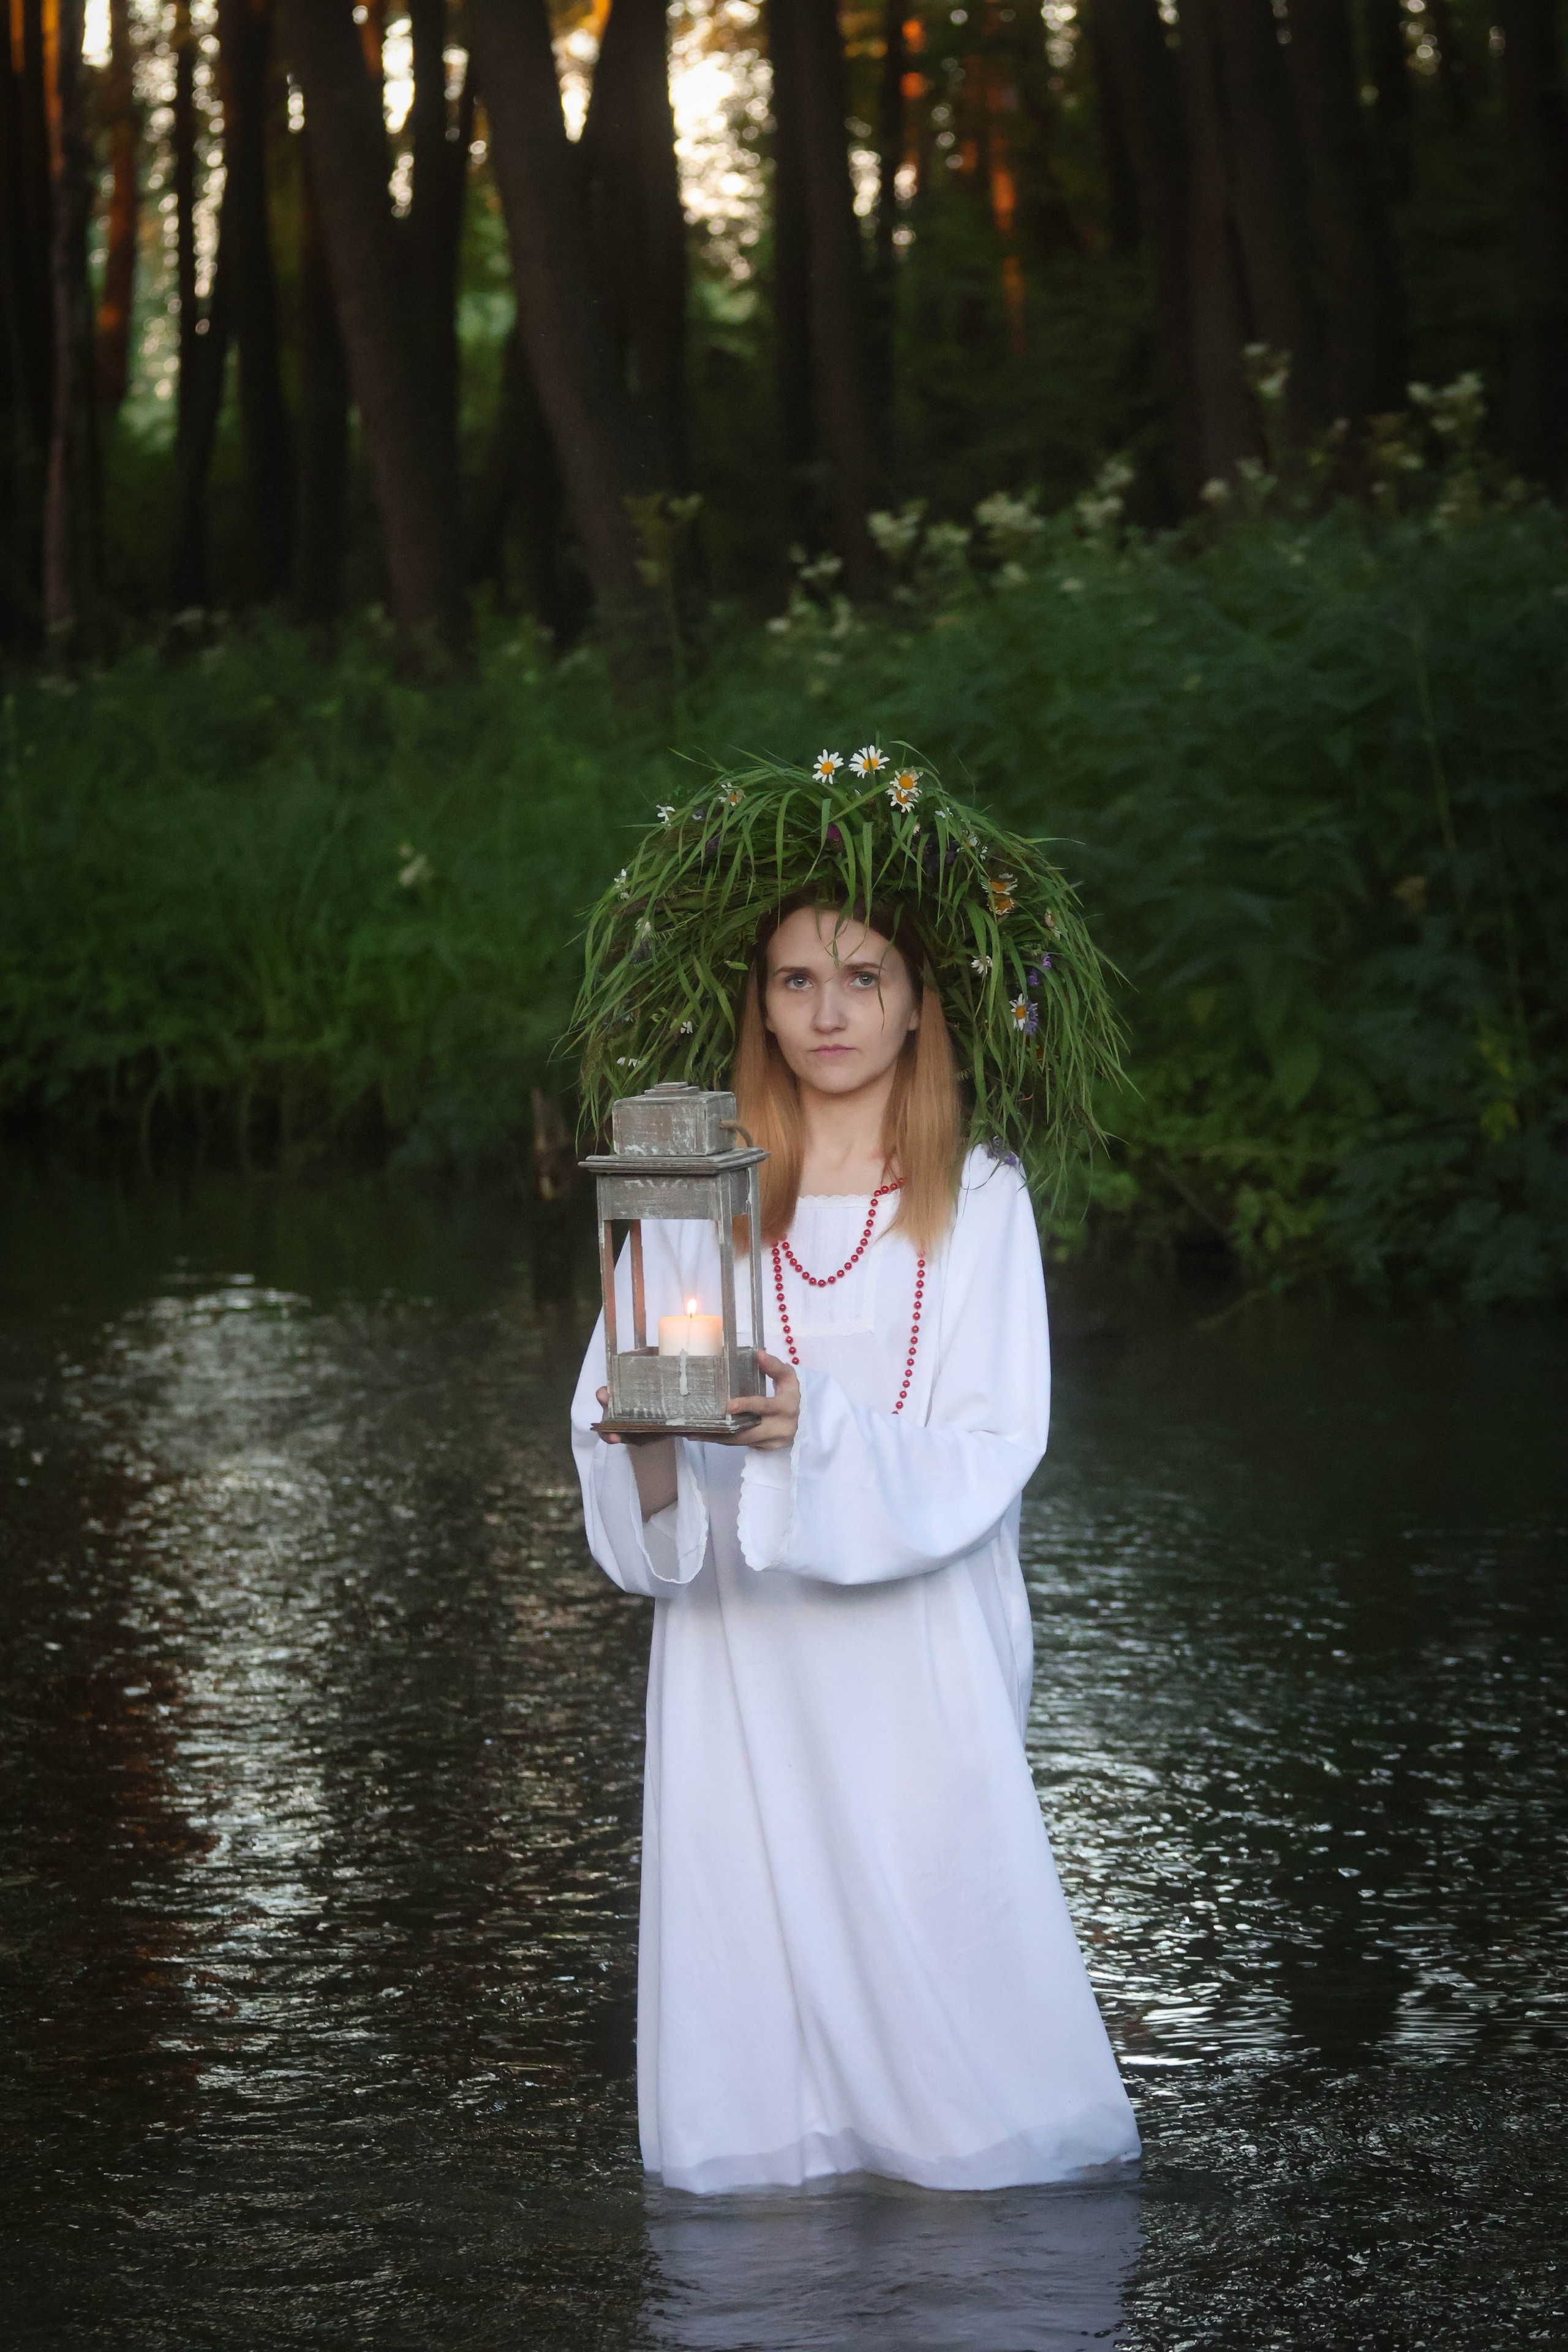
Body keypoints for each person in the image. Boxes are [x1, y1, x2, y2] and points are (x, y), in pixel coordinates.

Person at [567, 746, 1140, 2196]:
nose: (827, 1014)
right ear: (756, 1001)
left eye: (863, 978)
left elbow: (991, 1444)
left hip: (912, 1660)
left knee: (957, 2042)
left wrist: (804, 1431)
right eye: (796, 981)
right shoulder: (691, 1191)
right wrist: (645, 1445)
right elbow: (610, 1413)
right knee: (757, 2052)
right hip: (737, 1660)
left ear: (919, 999)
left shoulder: (981, 1200)